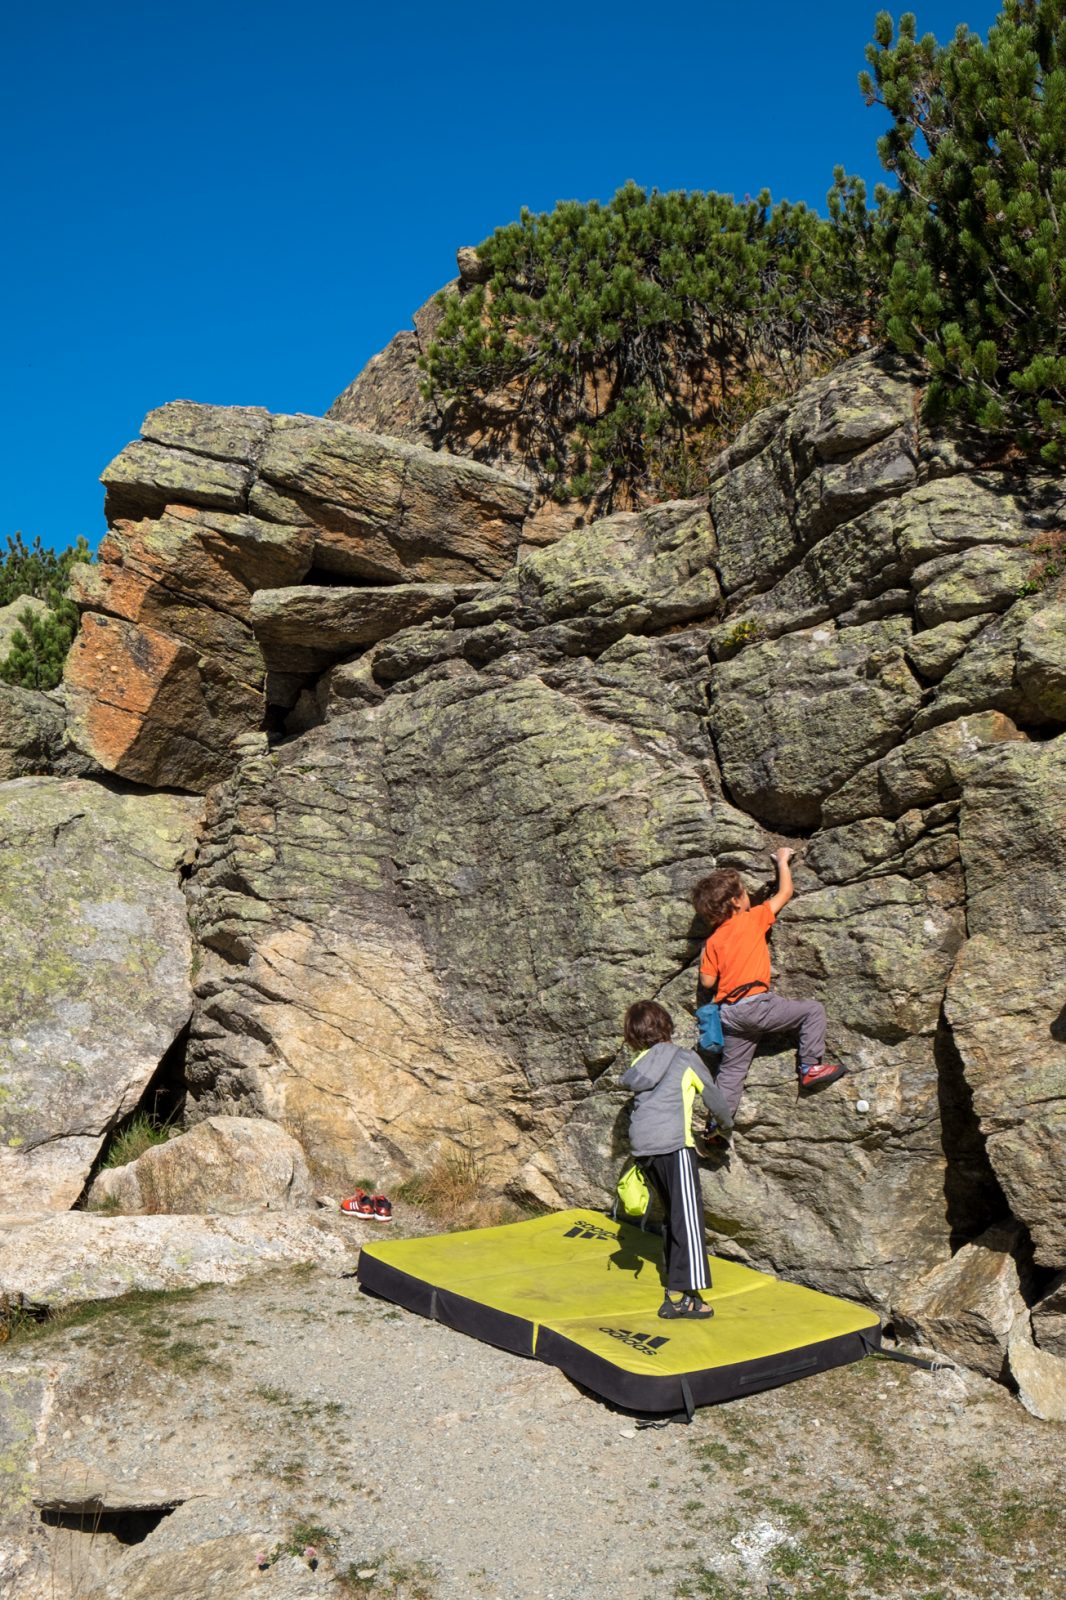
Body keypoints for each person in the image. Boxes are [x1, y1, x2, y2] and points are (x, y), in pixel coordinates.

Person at [693, 848, 844, 1135]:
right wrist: (782, 862)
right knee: (813, 1011)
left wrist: (706, 953)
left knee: (732, 1072)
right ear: (737, 902)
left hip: (729, 1015)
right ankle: (810, 1068)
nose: (749, 896)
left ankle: (716, 1125)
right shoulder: (751, 919)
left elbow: (708, 983)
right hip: (756, 1004)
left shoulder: (713, 941)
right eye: (746, 892)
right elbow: (785, 892)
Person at [620, 998, 733, 1321]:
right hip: (673, 1145)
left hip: (644, 1148)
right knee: (689, 1221)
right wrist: (725, 1127)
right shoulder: (685, 1058)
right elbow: (714, 1097)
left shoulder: (641, 1062)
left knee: (674, 1216)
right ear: (666, 1026)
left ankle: (679, 1288)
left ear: (634, 1035)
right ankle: (681, 1297)